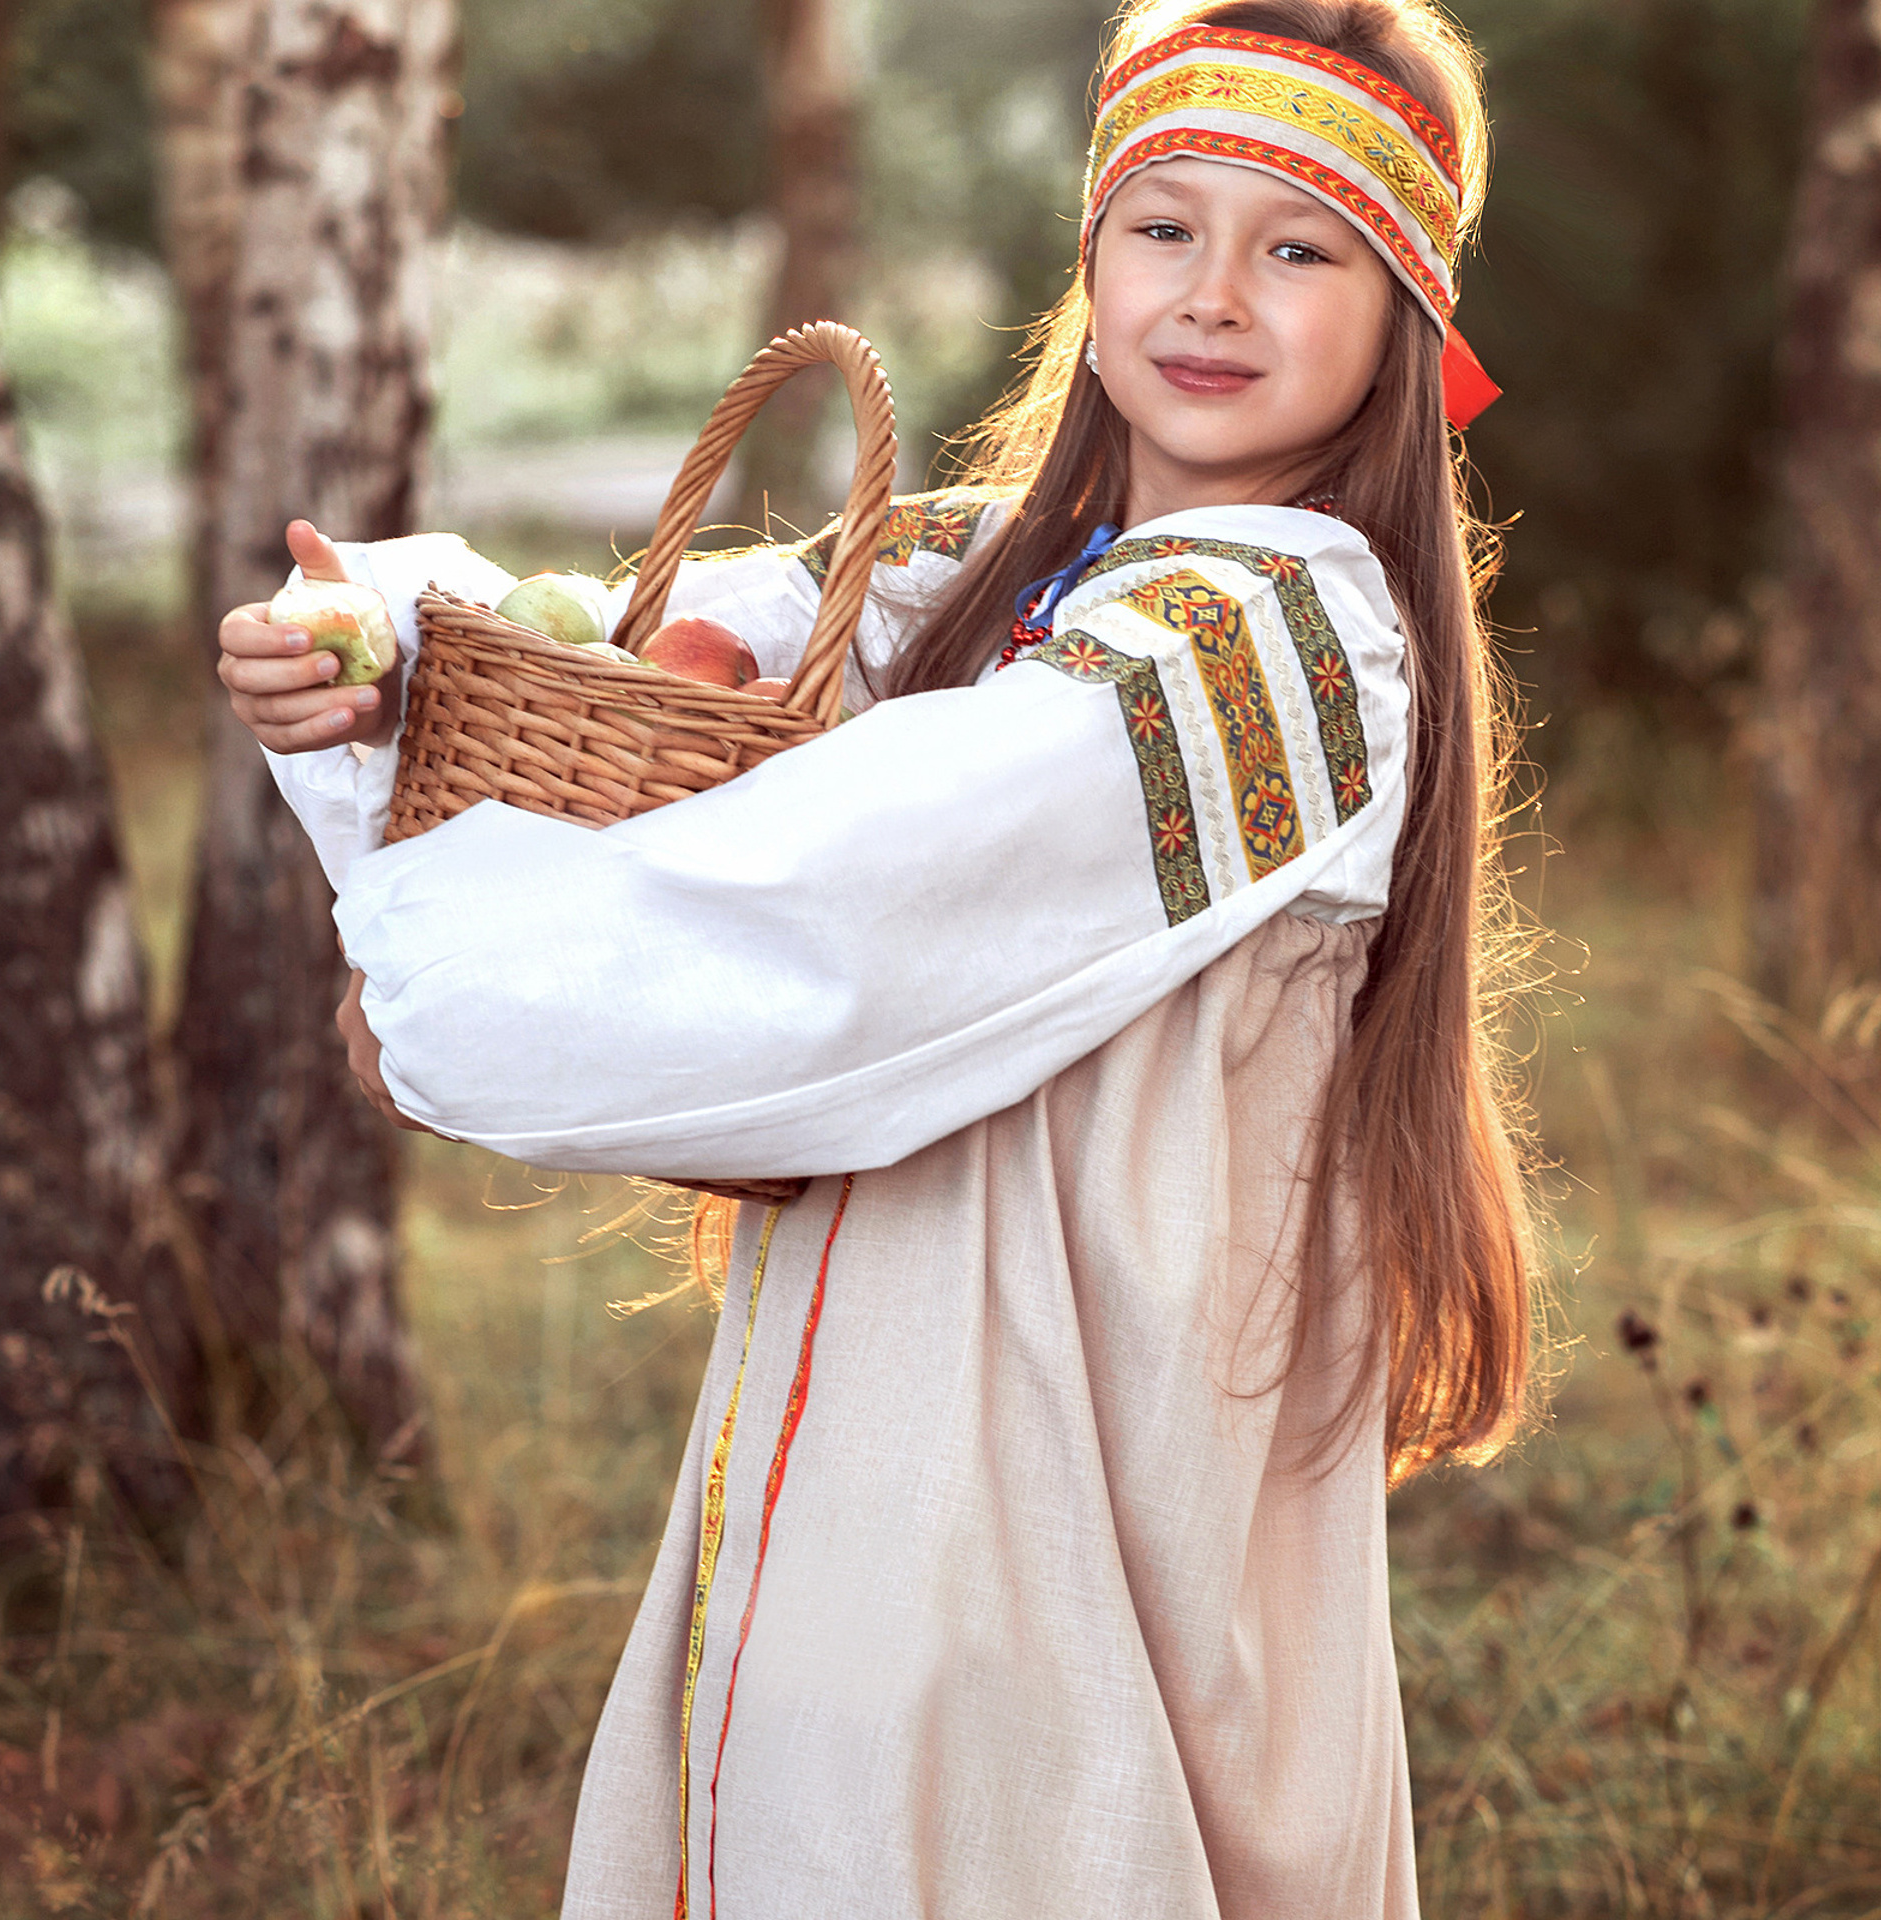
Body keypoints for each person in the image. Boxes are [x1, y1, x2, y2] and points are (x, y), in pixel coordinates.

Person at [217, 1, 1536, 1912]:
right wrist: (389, 659)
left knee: (1024, 1833)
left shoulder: (1268, 633)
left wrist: (445, 984)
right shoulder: (998, 571)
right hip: (896, 1404)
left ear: (1404, 315)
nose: (1213, 292)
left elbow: (832, 903)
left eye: (1301, 249)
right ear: (1092, 259)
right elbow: (669, 639)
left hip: (1068, 1437)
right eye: (1164, 225)